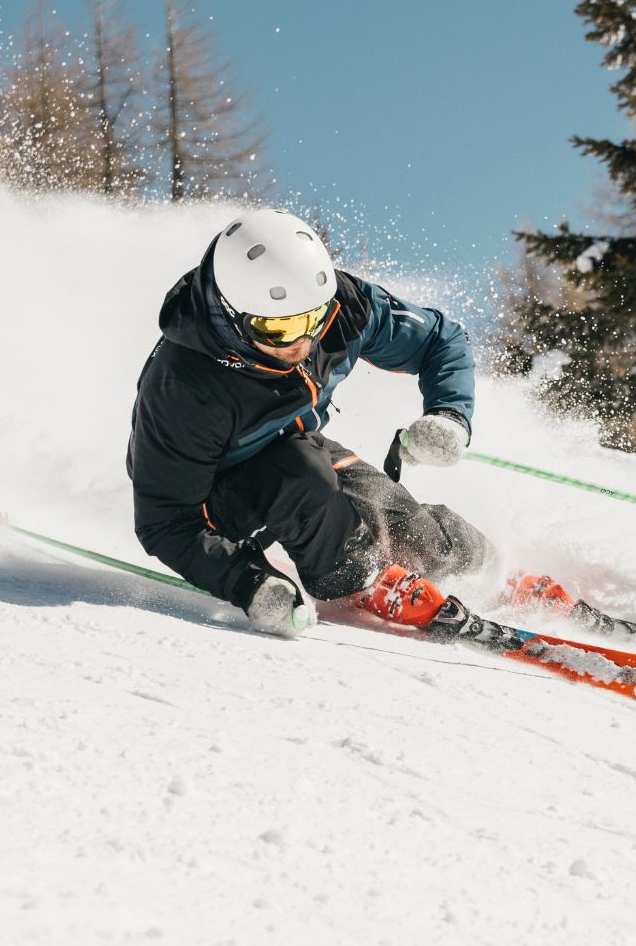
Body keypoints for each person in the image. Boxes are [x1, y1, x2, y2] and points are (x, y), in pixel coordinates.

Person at [127, 209, 492, 637]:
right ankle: (355, 580)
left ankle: (483, 563)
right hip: (218, 497)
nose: (302, 341)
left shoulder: (343, 307)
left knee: (407, 525)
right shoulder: (185, 385)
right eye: (279, 329)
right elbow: (166, 521)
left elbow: (440, 339)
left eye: (311, 321)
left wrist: (449, 415)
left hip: (300, 445)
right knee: (303, 476)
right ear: (233, 315)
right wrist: (248, 584)